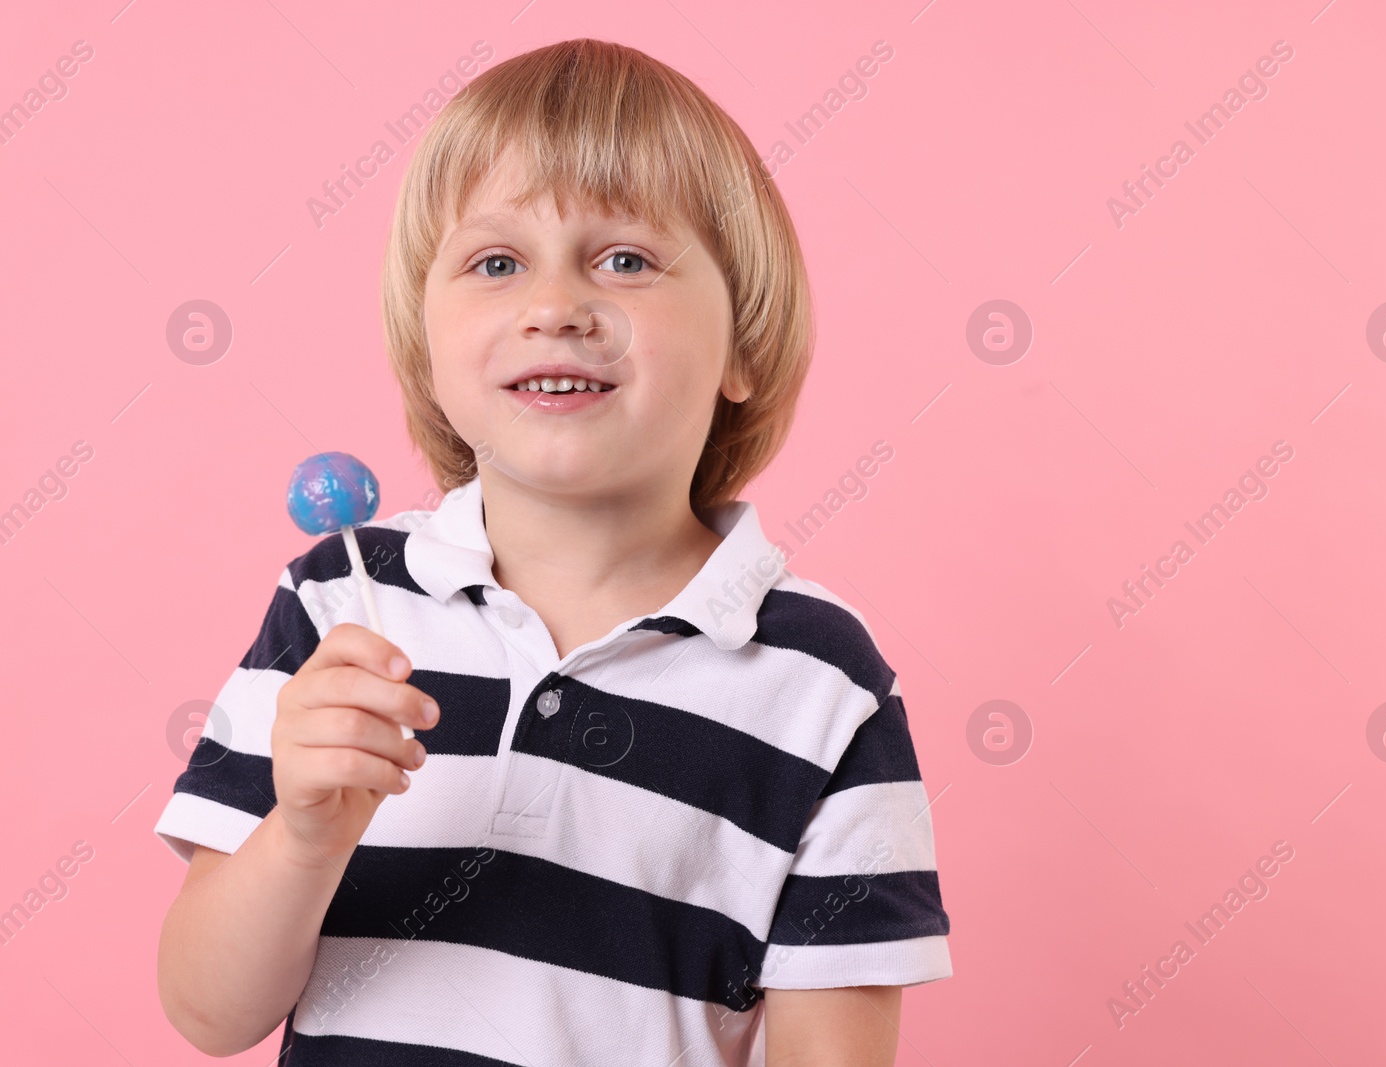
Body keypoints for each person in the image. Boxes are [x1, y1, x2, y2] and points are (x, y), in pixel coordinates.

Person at [154, 37, 951, 1066]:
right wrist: (303, 835)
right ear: (426, 345)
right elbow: (207, 1012)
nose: (554, 306)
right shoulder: (337, 608)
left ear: (743, 345)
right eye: (496, 262)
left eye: (624, 259)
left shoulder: (821, 682)